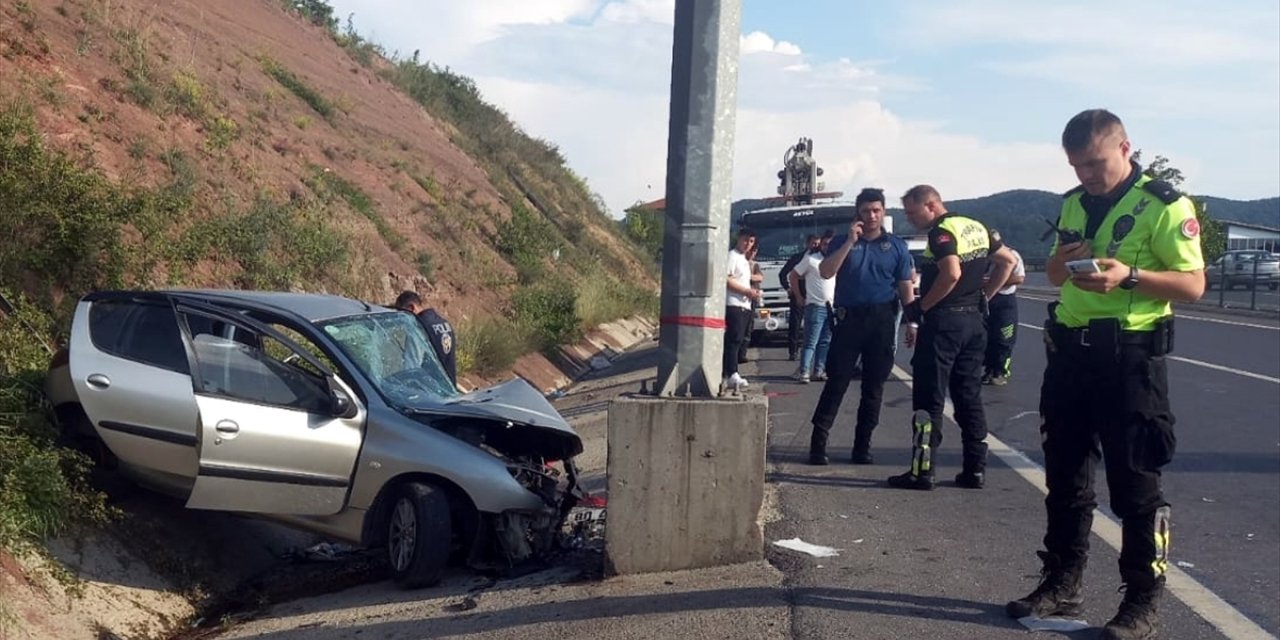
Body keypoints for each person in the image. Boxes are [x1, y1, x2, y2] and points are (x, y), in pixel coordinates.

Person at [1005, 109, 1204, 640]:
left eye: (1095, 163)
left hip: (1130, 359)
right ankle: (1062, 581)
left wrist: (1130, 276)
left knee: (1135, 485)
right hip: (1071, 353)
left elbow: (1193, 285)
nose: (1086, 176)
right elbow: (1050, 272)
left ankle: (1143, 601)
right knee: (1064, 478)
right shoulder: (1074, 203)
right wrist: (1064, 262)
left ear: (1125, 148)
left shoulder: (1165, 204)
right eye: (1076, 166)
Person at [890, 185, 1016, 490]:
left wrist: (922, 307)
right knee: (968, 396)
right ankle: (975, 469)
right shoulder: (978, 226)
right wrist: (985, 295)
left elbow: (951, 273)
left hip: (944, 322)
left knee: (928, 397)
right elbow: (1008, 261)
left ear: (931, 206)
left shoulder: (941, 232)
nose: (909, 219)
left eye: (911, 212)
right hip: (973, 321)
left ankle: (922, 471)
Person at [805, 189, 914, 466]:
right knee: (837, 381)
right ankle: (818, 443)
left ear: (884, 212)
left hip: (882, 320)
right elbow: (827, 271)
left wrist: (913, 320)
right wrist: (849, 242)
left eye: (876, 210)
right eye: (866, 211)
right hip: (849, 319)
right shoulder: (843, 241)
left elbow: (905, 287)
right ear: (858, 214)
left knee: (873, 387)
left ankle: (862, 445)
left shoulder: (897, 247)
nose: (872, 216)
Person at [788, 230, 835, 385]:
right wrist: (799, 296)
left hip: (831, 307)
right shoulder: (811, 259)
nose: (828, 247)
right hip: (815, 305)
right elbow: (793, 275)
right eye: (825, 244)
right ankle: (804, 371)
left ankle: (819, 370)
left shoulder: (835, 260)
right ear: (820, 244)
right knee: (811, 341)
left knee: (825, 341)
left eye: (830, 244)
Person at [983, 230, 1025, 386]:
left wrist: (995, 280)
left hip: (1004, 300)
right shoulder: (984, 257)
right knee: (987, 337)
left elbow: (1019, 278)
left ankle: (1000, 371)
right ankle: (989, 369)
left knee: (1004, 338)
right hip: (986, 300)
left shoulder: (1011, 255)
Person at [394, 290, 458, 387]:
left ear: (411, 308)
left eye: (402, 313)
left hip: (431, 394)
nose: (402, 320)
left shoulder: (418, 328)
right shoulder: (443, 322)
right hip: (449, 388)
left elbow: (411, 368)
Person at [724, 228, 761, 391]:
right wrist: (746, 291)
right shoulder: (732, 256)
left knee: (739, 339)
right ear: (739, 239)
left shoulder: (744, 260)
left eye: (751, 241)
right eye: (746, 240)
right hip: (733, 303)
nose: (748, 244)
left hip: (745, 304)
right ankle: (731, 373)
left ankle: (732, 372)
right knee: (733, 339)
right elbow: (726, 279)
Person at [779, 235, 820, 361]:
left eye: (818, 244)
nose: (816, 246)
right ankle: (793, 351)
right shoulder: (797, 258)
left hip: (814, 295)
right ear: (807, 244)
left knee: (814, 323)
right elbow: (783, 274)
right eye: (813, 243)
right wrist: (788, 288)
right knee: (795, 323)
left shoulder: (821, 258)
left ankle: (813, 350)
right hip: (798, 294)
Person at [740, 245, 765, 365]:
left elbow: (760, 277)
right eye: (751, 251)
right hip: (741, 296)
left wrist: (748, 276)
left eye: (754, 251)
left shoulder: (755, 265)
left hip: (753, 297)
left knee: (749, 326)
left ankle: (743, 353)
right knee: (740, 326)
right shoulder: (740, 262)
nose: (752, 254)